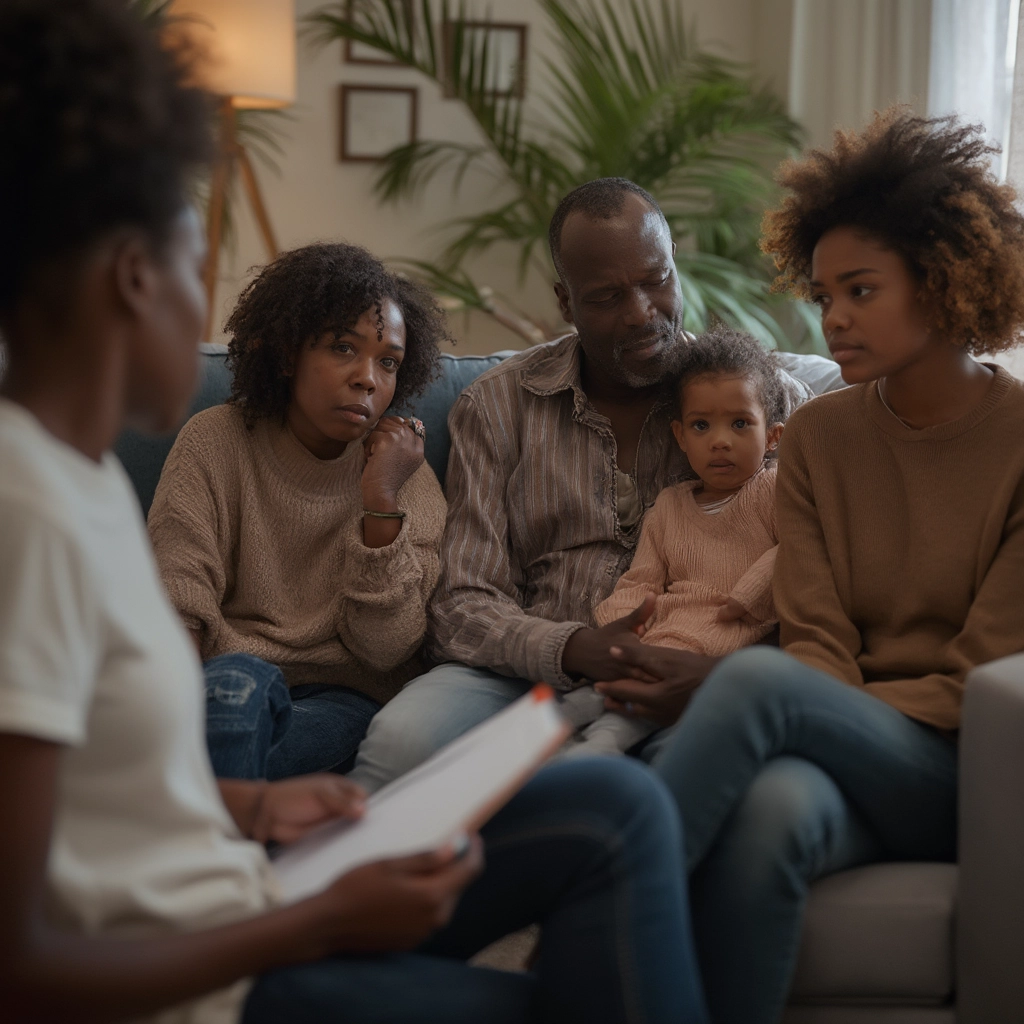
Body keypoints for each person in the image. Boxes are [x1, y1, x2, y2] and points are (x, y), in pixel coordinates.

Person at [0, 3, 713, 1022]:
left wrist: (253, 802)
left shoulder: (81, 486)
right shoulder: (29, 516)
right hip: (223, 977)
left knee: (616, 804)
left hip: (244, 894)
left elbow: (104, 801)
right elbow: (19, 965)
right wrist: (319, 920)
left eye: (386, 361)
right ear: (131, 277)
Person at [597, 109, 1024, 1023]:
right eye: (824, 293)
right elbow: (820, 638)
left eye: (860, 291)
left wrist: (818, 710)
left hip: (961, 765)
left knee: (756, 683)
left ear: (946, 279)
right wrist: (822, 712)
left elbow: (973, 685)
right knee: (773, 817)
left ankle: (581, 914)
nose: (831, 316)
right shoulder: (822, 437)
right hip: (839, 745)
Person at [348, 176, 841, 793]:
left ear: (674, 268)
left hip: (700, 668)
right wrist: (573, 647)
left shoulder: (760, 399)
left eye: (655, 281)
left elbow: (814, 568)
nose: (641, 313)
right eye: (606, 296)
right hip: (521, 672)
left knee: (703, 783)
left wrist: (719, 672)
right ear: (565, 300)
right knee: (401, 743)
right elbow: (461, 605)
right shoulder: (499, 407)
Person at [148, 243, 448, 780]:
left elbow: (386, 651)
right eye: (341, 348)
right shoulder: (215, 440)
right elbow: (177, 597)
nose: (368, 378)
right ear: (288, 354)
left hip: (340, 700)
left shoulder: (407, 476)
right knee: (237, 694)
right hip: (222, 682)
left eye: (388, 362)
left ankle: (202, 813)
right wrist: (175, 711)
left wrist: (379, 500)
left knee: (243, 735)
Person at [561, 327, 786, 756]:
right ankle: (545, 741)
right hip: (658, 637)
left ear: (772, 437)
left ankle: (592, 753)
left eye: (740, 424)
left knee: (621, 720)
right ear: (681, 437)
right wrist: (619, 629)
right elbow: (641, 580)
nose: (720, 440)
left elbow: (798, 548)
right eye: (702, 426)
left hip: (722, 638)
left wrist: (747, 595)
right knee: (583, 701)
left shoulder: (773, 491)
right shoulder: (668, 507)